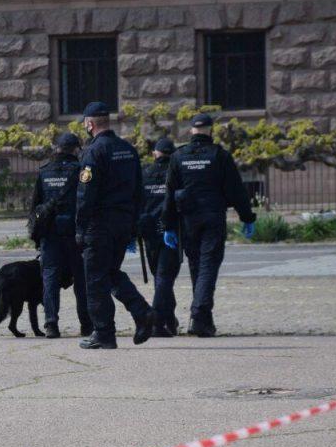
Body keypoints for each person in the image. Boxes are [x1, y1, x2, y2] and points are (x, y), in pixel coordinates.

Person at [162, 113, 256, 337]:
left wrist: (168, 225)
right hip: (212, 217)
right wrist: (247, 217)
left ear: (191, 131)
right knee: (208, 267)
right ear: (210, 131)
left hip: (188, 219)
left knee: (197, 267)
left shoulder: (178, 156)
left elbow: (169, 193)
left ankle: (203, 319)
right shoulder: (219, 155)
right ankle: (199, 315)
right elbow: (236, 190)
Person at [75, 101, 156, 349]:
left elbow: (85, 194)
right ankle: (142, 312)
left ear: (89, 124)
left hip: (99, 225)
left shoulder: (93, 152)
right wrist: (134, 222)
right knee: (110, 272)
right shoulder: (127, 149)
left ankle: (104, 333)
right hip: (123, 223)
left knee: (96, 279)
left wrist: (80, 227)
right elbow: (139, 190)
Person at [29, 132, 93, 338]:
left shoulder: (44, 171)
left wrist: (37, 237)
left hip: (49, 234)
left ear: (57, 149)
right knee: (81, 280)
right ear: (75, 149)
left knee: (50, 279)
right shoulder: (81, 170)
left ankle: (51, 324)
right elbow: (87, 201)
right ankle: (86, 324)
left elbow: (34, 207)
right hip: (75, 234)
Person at [138, 137, 181, 337]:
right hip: (170, 229)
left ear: (155, 153)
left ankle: (169, 320)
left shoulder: (144, 173)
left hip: (149, 232)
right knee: (164, 278)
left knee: (161, 278)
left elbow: (135, 201)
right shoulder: (176, 172)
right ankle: (156, 322)